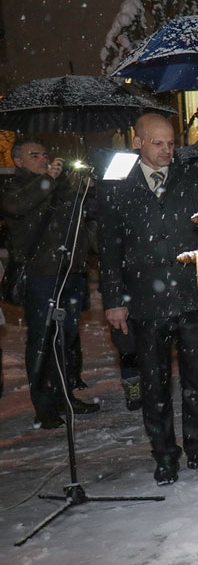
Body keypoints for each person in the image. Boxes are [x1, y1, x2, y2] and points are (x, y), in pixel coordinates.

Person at [99, 114, 198, 484]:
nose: (166, 151)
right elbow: (109, 249)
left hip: (190, 297)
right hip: (144, 302)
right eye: (157, 143)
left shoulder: (191, 178)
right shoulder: (116, 186)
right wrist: (114, 299)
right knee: (154, 384)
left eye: (170, 143)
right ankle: (164, 454)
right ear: (138, 142)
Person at [1, 140, 98, 429]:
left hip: (70, 272)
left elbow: (81, 218)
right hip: (40, 274)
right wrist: (48, 179)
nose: (44, 158)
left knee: (66, 339)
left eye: (46, 153)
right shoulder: (13, 187)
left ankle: (64, 396)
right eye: (35, 155)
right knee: (41, 340)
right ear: (18, 161)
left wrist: (84, 185)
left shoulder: (60, 184)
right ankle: (43, 406)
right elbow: (16, 207)